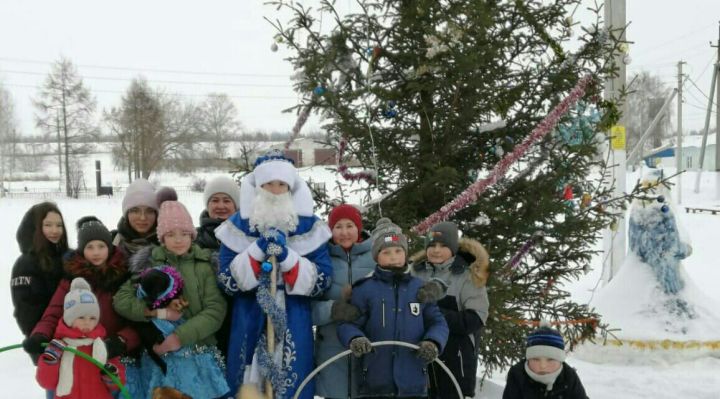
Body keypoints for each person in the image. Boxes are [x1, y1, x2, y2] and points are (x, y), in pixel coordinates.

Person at [215, 149, 333, 398]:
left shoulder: (310, 227)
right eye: (269, 184)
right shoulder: (236, 227)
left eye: (282, 184)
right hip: (249, 315)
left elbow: (323, 279)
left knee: (292, 381)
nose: (275, 190)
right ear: (258, 187)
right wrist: (257, 251)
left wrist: (287, 257)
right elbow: (227, 281)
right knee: (248, 379)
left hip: (294, 316)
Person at [113, 188, 229, 399]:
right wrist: (156, 313)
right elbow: (122, 300)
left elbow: (215, 309)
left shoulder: (204, 266)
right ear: (162, 237)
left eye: (184, 234)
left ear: (192, 235)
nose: (178, 240)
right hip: (161, 359)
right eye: (171, 234)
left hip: (199, 353)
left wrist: (180, 336)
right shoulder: (150, 263)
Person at [337, 218, 449, 399]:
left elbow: (438, 322)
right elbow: (347, 324)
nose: (393, 256)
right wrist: (355, 338)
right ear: (376, 256)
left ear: (405, 253)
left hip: (413, 381)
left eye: (398, 251)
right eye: (386, 252)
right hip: (374, 380)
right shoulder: (365, 289)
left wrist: (433, 341)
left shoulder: (420, 288)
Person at [25, 217, 139, 370]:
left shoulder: (124, 277)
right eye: (90, 247)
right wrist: (40, 335)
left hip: (113, 356)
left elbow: (137, 321)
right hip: (76, 353)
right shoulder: (71, 279)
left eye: (101, 246)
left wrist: (122, 340)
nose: (96, 252)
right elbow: (54, 312)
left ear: (110, 248)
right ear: (81, 250)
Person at [411, 221, 490, 398]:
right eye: (431, 245)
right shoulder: (416, 272)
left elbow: (475, 318)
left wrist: (433, 315)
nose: (436, 250)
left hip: (456, 356)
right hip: (419, 354)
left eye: (443, 245)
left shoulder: (467, 275)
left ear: (453, 248)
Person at [131, 265, 229, 398]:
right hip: (162, 355)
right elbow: (128, 307)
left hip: (188, 346)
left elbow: (213, 310)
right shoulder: (142, 294)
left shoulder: (200, 268)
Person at [312, 204, 375, 398]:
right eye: (338, 227)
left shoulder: (376, 257)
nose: (344, 232)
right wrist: (333, 309)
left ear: (359, 228)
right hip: (331, 350)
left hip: (369, 348)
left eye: (350, 226)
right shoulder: (321, 260)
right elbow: (306, 309)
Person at [36, 277, 126, 399]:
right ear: (69, 318)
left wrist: (110, 376)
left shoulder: (102, 346)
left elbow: (117, 386)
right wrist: (50, 360)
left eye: (92, 318)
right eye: (81, 317)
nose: (87, 323)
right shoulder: (58, 346)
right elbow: (46, 382)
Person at [12, 202, 69, 364]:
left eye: (59, 225)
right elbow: (26, 310)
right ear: (36, 228)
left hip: (74, 338)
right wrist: (40, 338)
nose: (55, 230)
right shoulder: (26, 264)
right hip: (46, 341)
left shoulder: (69, 257)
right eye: (48, 225)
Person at [194, 175, 240, 359]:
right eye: (214, 200)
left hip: (239, 317)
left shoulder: (246, 237)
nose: (220, 206)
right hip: (207, 321)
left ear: (236, 205)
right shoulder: (195, 239)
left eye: (226, 200)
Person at [502, 322, 589, 399]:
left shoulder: (569, 376)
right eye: (536, 359)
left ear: (560, 360)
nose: (542, 366)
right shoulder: (518, 375)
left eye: (550, 359)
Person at [112, 178, 159, 256]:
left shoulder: (170, 244)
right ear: (127, 214)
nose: (142, 217)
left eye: (149, 211)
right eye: (135, 211)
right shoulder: (111, 244)